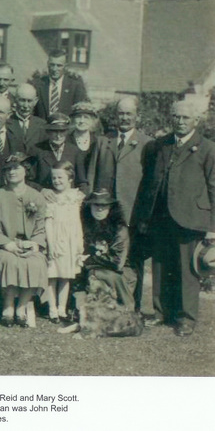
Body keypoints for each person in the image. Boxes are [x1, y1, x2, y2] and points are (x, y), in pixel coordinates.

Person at [131, 100, 215, 337]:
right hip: (161, 216)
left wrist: (212, 227)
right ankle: (161, 313)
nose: (180, 121)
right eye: (176, 117)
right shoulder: (161, 145)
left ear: (196, 121)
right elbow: (152, 181)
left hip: (191, 218)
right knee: (161, 266)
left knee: (187, 270)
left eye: (185, 118)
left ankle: (186, 317)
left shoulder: (208, 149)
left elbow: (214, 187)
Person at [94, 96, 153, 311]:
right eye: (121, 113)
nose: (125, 117)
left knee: (132, 262)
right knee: (103, 257)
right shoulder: (103, 141)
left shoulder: (147, 144)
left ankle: (131, 306)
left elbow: (149, 183)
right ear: (115, 115)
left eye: (129, 113)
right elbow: (94, 175)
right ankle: (105, 304)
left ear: (137, 116)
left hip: (132, 213)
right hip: (105, 213)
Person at [0, 153, 48, 328]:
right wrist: (8, 244)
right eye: (8, 169)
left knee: (36, 262)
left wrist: (34, 244)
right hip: (6, 244)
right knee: (10, 261)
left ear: (25, 170)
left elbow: (41, 228)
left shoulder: (36, 197)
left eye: (16, 168)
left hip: (29, 244)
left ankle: (22, 306)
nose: (12, 172)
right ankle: (8, 306)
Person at [42, 161, 85, 323]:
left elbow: (77, 221)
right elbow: (48, 222)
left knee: (65, 275)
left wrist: (79, 243)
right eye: (54, 178)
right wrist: (51, 245)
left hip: (70, 240)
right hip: (55, 238)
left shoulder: (76, 197)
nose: (57, 181)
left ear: (70, 179)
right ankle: (52, 308)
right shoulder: (50, 198)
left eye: (60, 177)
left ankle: (62, 308)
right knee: (52, 275)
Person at [81, 189, 135, 310]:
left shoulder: (119, 229)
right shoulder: (84, 224)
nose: (99, 209)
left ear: (110, 207)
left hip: (117, 271)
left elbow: (118, 262)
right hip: (90, 268)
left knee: (102, 276)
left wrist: (90, 259)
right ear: (89, 206)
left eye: (104, 206)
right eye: (96, 205)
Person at [31, 112, 88, 193]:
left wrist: (77, 198)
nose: (58, 136)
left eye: (62, 131)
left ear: (67, 132)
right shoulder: (37, 150)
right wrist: (41, 190)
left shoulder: (75, 151)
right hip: (44, 198)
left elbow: (82, 182)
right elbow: (27, 180)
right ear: (48, 132)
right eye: (54, 131)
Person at [31, 49, 88, 120]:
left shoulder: (75, 86)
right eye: (52, 65)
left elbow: (79, 113)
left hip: (66, 129)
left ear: (65, 66)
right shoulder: (37, 85)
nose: (55, 69)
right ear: (48, 64)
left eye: (59, 65)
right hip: (42, 129)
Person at [6, 83, 47, 152]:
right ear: (15, 100)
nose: (25, 105)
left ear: (35, 101)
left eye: (29, 101)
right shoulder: (6, 123)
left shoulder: (42, 125)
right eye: (22, 100)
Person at [68, 101, 101, 185]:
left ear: (92, 121)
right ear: (73, 119)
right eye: (78, 117)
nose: (82, 121)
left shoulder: (98, 142)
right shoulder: (66, 140)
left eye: (86, 117)